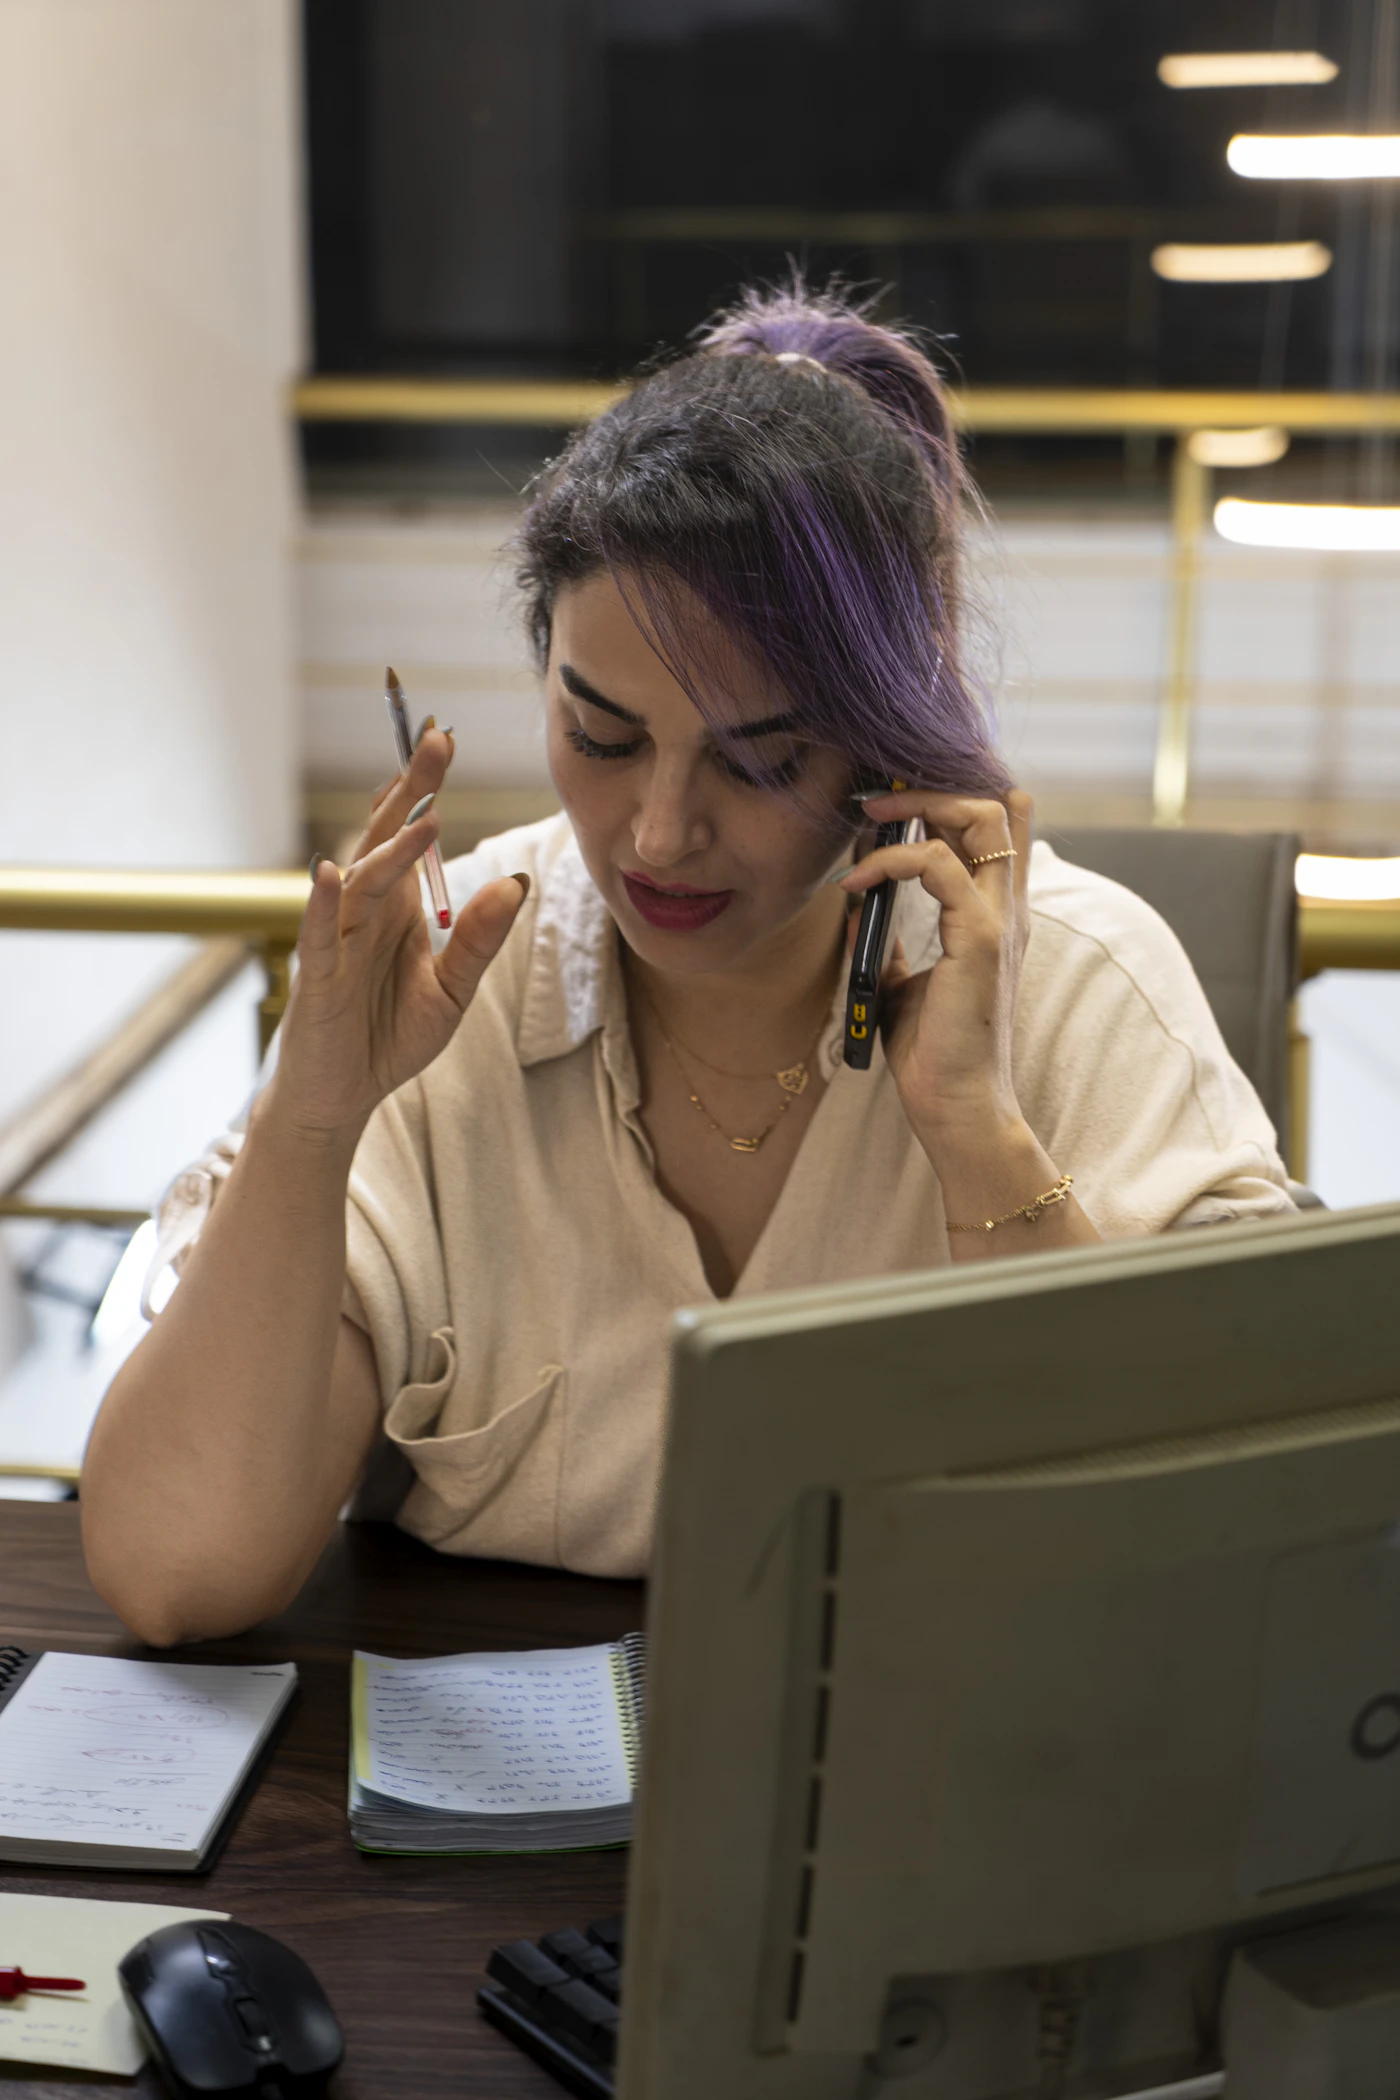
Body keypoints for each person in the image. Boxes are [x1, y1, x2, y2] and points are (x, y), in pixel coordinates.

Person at [81, 283, 1291, 1646]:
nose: (658, 834)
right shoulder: (445, 979)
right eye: (601, 737)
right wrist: (313, 1115)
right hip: (480, 1829)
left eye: (763, 759)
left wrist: (977, 1140)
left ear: (894, 747)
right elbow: (176, 1574)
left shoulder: (1082, 983)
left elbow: (1233, 1579)